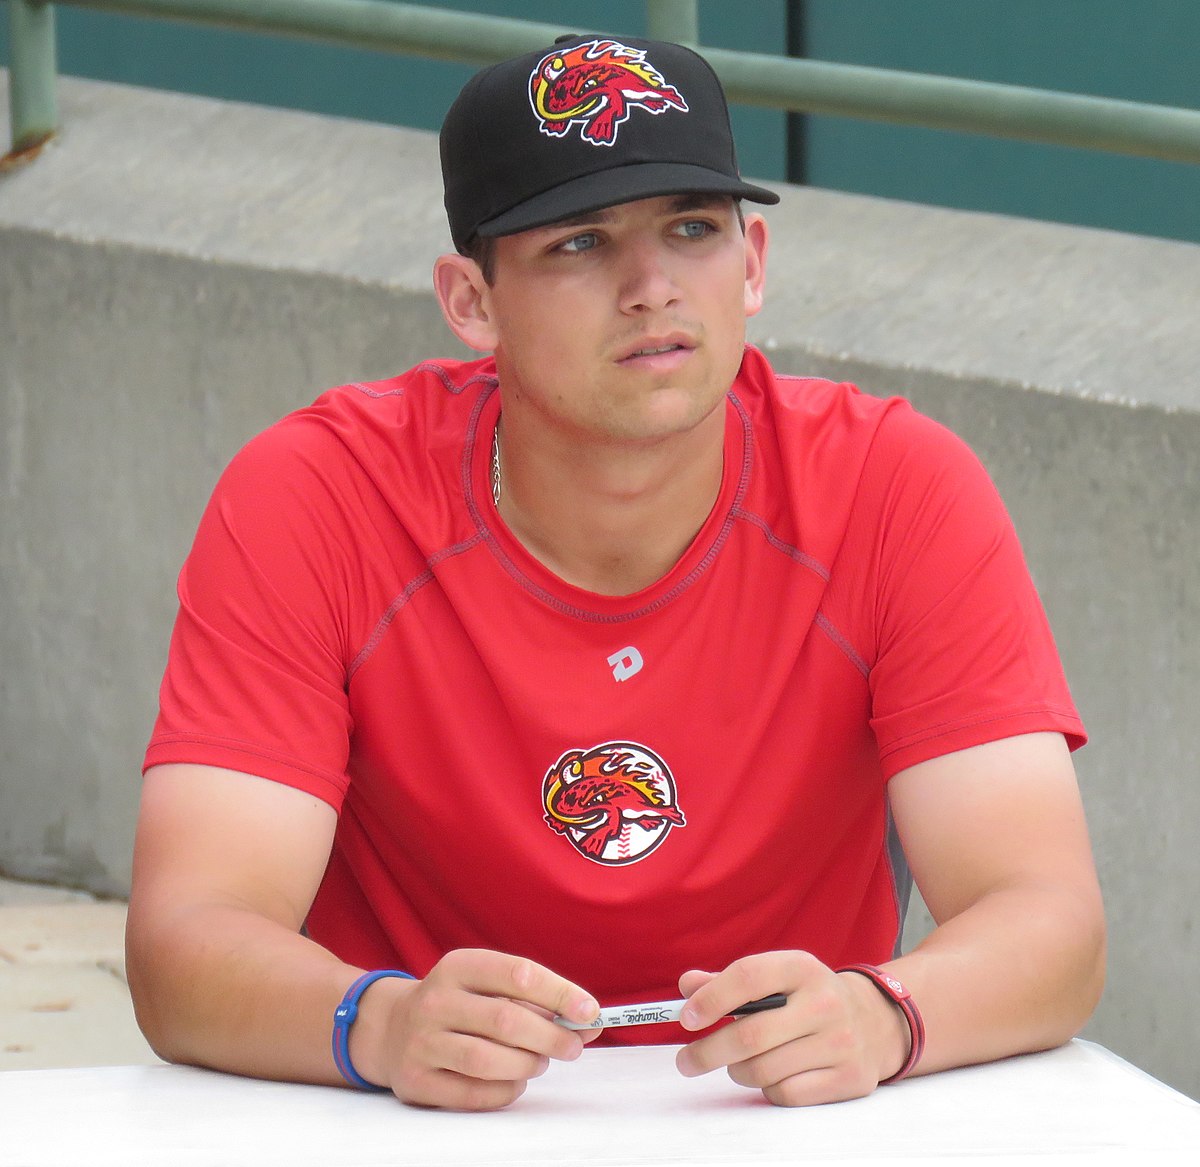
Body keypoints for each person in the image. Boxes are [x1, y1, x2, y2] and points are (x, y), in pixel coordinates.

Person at [126, 35, 1106, 1113]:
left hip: (780, 1123)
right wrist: (381, 1021)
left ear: (755, 263)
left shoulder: (894, 486)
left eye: (692, 229)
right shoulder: (318, 494)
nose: (650, 288)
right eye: (579, 243)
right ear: (470, 301)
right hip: (415, 1124)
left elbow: (1047, 920)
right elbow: (187, 942)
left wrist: (884, 1015)